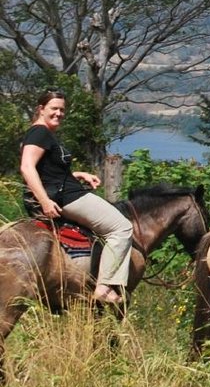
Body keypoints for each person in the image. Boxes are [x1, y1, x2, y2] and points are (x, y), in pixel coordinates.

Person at [19, 88, 133, 306]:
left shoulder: (42, 133)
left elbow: (48, 170)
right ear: (41, 109)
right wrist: (44, 201)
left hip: (64, 191)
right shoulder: (40, 132)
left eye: (62, 109)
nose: (59, 113)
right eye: (54, 108)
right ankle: (105, 287)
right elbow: (27, 167)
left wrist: (79, 175)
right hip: (66, 197)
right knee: (122, 228)